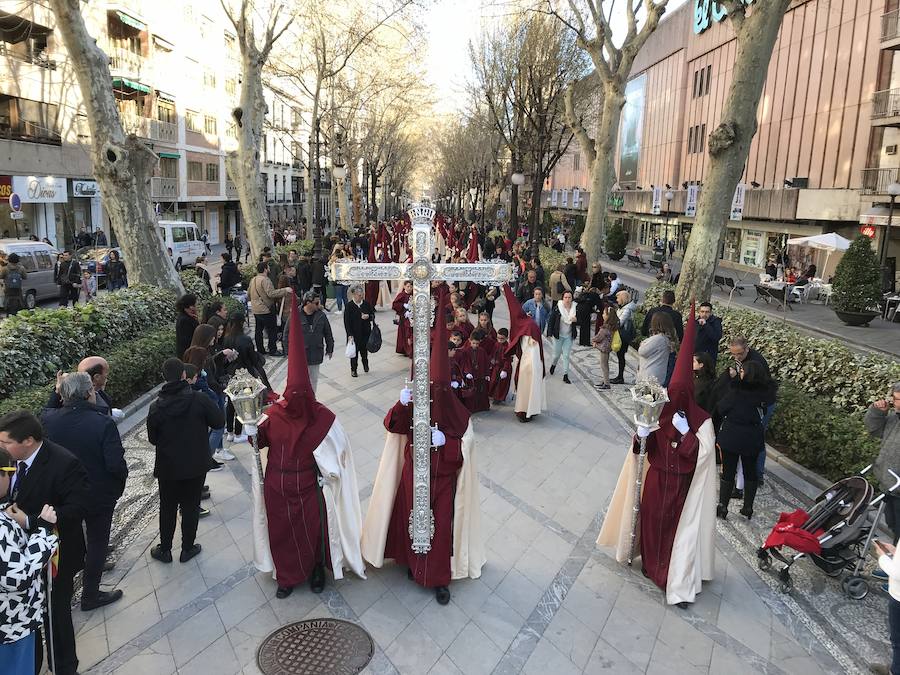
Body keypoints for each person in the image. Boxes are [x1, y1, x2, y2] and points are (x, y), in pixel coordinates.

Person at [361, 291, 484, 605]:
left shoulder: (458, 414)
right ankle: (410, 563)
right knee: (409, 520)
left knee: (439, 528)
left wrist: (450, 442)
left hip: (442, 480)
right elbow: (393, 425)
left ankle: (437, 577)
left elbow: (466, 450)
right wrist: (402, 404)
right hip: (413, 472)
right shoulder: (416, 397)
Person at [598, 304, 716, 608]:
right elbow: (641, 452)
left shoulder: (701, 421)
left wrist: (685, 434)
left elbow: (703, 457)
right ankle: (650, 565)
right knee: (650, 522)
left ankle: (669, 575)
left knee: (674, 530)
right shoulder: (658, 414)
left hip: (680, 487)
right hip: (656, 480)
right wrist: (641, 434)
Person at [258, 291, 365, 598]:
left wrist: (329, 471)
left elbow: (340, 450)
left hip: (308, 486)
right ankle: (287, 577)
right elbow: (260, 441)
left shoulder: (323, 419)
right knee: (282, 533)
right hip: (277, 485)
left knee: (312, 532)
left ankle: (316, 570)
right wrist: (252, 429)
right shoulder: (273, 415)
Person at [0, 410, 90, 675]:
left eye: (5, 442)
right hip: (17, 559)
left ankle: (64, 667)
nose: (1, 447)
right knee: (28, 623)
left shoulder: (64, 463)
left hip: (55, 557)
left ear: (28, 440)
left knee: (55, 614)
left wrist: (32, 522)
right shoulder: (8, 462)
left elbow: (79, 507)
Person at [41, 373, 127, 610]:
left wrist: (56, 389)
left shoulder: (50, 420)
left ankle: (64, 595)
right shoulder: (103, 422)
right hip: (98, 494)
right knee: (98, 542)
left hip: (65, 495)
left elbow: (47, 410)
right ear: (90, 393)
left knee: (67, 542)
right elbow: (115, 464)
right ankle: (90, 594)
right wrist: (117, 488)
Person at [147, 359, 225, 564]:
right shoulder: (199, 399)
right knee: (191, 506)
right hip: (195, 463)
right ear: (183, 375)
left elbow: (153, 438)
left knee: (168, 507)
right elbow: (218, 421)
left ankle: (164, 550)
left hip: (168, 466)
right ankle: (187, 548)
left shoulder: (156, 406)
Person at [0, 446, 58, 675]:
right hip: (11, 623)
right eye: (8, 471)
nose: (12, 475)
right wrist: (43, 532)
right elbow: (17, 578)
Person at [715, 360, 777, 520]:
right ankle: (748, 507)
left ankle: (723, 506)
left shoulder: (736, 391)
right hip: (752, 436)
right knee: (751, 472)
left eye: (742, 371)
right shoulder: (766, 394)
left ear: (747, 373)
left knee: (728, 472)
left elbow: (721, 408)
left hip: (732, 436)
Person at [504, 285, 547, 423]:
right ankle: (527, 410)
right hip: (528, 361)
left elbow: (531, 346)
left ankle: (524, 411)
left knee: (526, 386)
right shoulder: (527, 324)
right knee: (527, 388)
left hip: (530, 362)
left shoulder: (528, 327)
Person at [281, 291, 334, 392]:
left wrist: (330, 348)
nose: (319, 305)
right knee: (300, 381)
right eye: (316, 303)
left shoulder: (321, 315)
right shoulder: (295, 315)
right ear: (308, 303)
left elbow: (328, 333)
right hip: (300, 355)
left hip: (316, 353)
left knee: (313, 380)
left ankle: (312, 401)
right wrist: (288, 353)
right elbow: (287, 334)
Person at [866, 384, 900, 540]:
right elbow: (874, 430)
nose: (896, 403)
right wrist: (877, 412)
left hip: (897, 487)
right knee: (892, 524)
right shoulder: (894, 419)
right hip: (889, 484)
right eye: (895, 399)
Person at [249, 261, 290, 356]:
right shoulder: (265, 280)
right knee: (272, 329)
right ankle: (272, 349)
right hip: (266, 309)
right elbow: (271, 293)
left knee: (258, 330)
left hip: (256, 309)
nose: (269, 269)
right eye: (268, 267)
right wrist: (284, 290)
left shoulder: (253, 279)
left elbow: (249, 293)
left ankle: (260, 349)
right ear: (265, 269)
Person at [638, 312, 678, 385]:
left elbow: (642, 351)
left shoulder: (658, 339)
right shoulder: (666, 338)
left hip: (651, 374)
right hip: (659, 372)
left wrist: (642, 344)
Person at [457, 329, 492, 413]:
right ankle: (471, 408)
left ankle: (481, 407)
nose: (475, 345)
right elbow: (465, 363)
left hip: (480, 375)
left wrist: (487, 374)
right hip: (471, 376)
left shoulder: (482, 351)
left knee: (481, 392)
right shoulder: (466, 351)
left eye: (477, 343)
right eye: (473, 343)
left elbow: (486, 362)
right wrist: (467, 372)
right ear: (470, 341)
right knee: (471, 393)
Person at [344, 284, 374, 378]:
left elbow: (372, 315)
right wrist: (349, 334)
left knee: (364, 352)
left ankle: (365, 365)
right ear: (354, 295)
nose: (361, 297)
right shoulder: (349, 306)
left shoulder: (366, 304)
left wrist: (368, 316)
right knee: (354, 353)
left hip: (365, 333)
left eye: (362, 295)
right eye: (359, 295)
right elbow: (346, 322)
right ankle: (354, 370)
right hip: (354, 334)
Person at [547, 290, 577, 384]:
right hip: (558, 335)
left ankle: (565, 375)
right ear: (562, 298)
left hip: (568, 336)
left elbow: (581, 321)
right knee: (556, 355)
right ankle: (553, 365)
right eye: (566, 297)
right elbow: (551, 321)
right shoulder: (557, 308)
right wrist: (549, 333)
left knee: (566, 355)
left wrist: (576, 320)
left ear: (572, 298)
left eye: (569, 297)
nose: (567, 299)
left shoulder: (575, 308)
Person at [612, 290, 637, 385]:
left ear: (622, 298)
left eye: (618, 298)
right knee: (620, 356)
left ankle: (620, 377)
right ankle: (619, 376)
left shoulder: (627, 309)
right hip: (622, 334)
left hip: (623, 335)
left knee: (621, 356)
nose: (617, 300)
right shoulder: (624, 307)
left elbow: (620, 322)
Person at [591, 305, 619, 391]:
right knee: (605, 365)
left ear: (608, 316)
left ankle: (606, 383)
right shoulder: (612, 326)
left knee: (604, 365)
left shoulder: (605, 328)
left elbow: (599, 337)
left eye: (604, 313)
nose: (602, 315)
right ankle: (604, 381)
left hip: (604, 348)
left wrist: (593, 340)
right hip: (607, 348)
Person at [488, 328, 513, 404]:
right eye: (498, 338)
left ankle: (498, 398)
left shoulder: (508, 348)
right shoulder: (496, 344)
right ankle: (491, 394)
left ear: (506, 338)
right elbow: (492, 353)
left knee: (501, 384)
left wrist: (505, 370)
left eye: (502, 338)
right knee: (493, 381)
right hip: (495, 367)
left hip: (503, 368)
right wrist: (491, 361)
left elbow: (507, 360)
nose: (499, 340)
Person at [392, 280, 414, 358]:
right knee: (404, 334)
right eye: (408, 286)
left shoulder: (414, 295)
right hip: (403, 319)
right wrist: (403, 306)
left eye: (411, 287)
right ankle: (405, 349)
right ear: (404, 286)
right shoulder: (401, 295)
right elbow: (394, 304)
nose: (409, 288)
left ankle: (411, 349)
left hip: (411, 318)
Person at [175, 293, 200, 359]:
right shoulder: (184, 320)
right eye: (195, 305)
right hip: (188, 354)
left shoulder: (188, 317)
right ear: (190, 306)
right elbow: (187, 339)